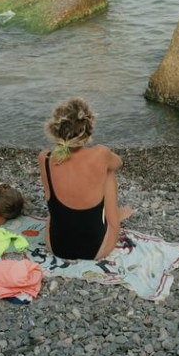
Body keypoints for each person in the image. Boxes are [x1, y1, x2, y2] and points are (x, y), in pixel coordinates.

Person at [38, 98, 133, 260]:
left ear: (55, 130)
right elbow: (118, 163)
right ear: (88, 129)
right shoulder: (100, 154)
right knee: (109, 173)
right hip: (95, 250)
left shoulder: (45, 158)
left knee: (55, 209)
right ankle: (114, 215)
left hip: (56, 247)